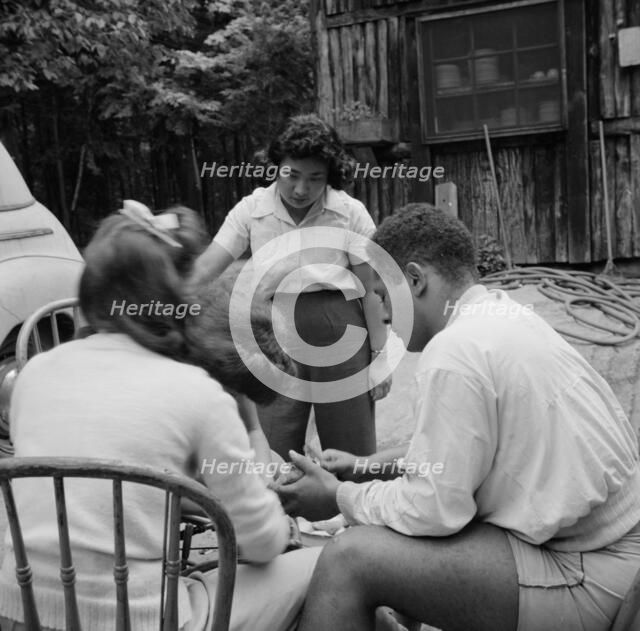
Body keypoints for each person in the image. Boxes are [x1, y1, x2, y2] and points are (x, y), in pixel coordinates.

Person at [276, 203, 640, 631]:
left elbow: (434, 510)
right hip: (613, 553)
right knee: (395, 532)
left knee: (349, 558)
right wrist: (365, 466)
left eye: (380, 293)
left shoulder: (454, 354)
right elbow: (464, 452)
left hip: (591, 573)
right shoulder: (501, 315)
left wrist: (338, 496)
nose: (379, 311)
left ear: (414, 279)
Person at [0, 202, 320, 631]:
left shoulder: (34, 374)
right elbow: (260, 543)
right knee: (329, 564)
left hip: (22, 612)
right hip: (145, 618)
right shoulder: (196, 393)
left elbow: (86, 491)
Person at [190, 114, 390, 461]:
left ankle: (349, 511)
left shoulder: (349, 213)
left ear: (330, 177)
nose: (300, 189)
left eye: (315, 179)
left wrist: (380, 356)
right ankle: (280, 514)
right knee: (272, 443)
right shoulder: (252, 211)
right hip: (272, 328)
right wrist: (162, 302)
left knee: (350, 447)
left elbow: (371, 289)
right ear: (277, 167)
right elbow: (207, 266)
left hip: (339, 325)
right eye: (291, 175)